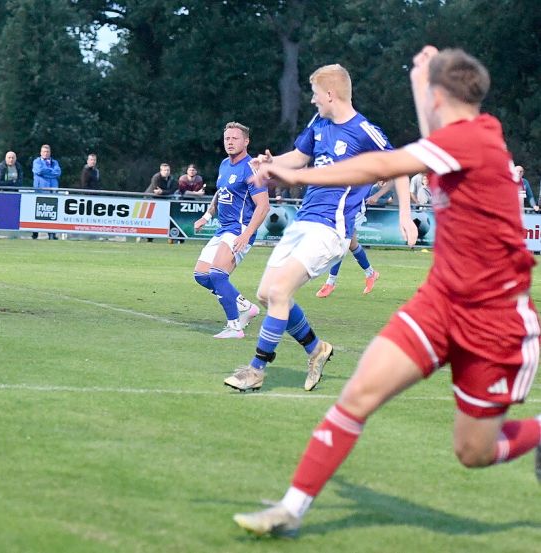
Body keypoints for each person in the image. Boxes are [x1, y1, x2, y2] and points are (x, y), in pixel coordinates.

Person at [232, 47, 541, 539]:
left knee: (473, 452)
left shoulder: (472, 141)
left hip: (494, 320)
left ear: (441, 97)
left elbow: (377, 166)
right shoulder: (455, 135)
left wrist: (296, 174)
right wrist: (423, 77)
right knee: (358, 394)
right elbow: (429, 126)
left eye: (427, 93)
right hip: (439, 303)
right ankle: (290, 509)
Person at [223, 63, 415, 394]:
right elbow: (298, 157)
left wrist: (405, 214)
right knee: (267, 293)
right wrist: (269, 164)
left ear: (330, 94)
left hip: (331, 229)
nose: (312, 101)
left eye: (314, 94)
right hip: (304, 221)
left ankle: (255, 370)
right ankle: (316, 350)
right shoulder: (320, 124)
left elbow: (400, 166)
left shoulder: (363, 131)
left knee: (280, 291)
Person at [192, 122, 269, 338]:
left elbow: (263, 205)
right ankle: (246, 307)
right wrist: (207, 216)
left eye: (235, 138)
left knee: (217, 274)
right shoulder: (224, 164)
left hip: (240, 229)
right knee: (201, 275)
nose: (230, 142)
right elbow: (220, 194)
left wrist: (246, 234)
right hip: (223, 228)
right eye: (227, 138)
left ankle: (234, 326)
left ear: (246, 141)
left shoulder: (252, 167)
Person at [0, 151, 24, 239]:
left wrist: (14, 184)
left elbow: (20, 182)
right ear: (5, 158)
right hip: (2, 194)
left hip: (14, 195)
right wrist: (11, 183)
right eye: (9, 157)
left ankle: (16, 235)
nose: (11, 159)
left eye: (13, 158)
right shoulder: (1, 167)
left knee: (12, 215)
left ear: (15, 159)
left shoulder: (18, 167)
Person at [33, 144, 62, 240]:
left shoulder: (55, 162)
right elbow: (39, 171)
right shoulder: (36, 161)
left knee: (52, 213)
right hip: (40, 191)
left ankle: (51, 234)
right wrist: (51, 172)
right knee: (37, 213)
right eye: (44, 152)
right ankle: (35, 233)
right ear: (41, 153)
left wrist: (46, 172)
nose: (46, 153)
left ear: (50, 153)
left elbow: (58, 173)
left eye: (47, 152)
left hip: (52, 191)